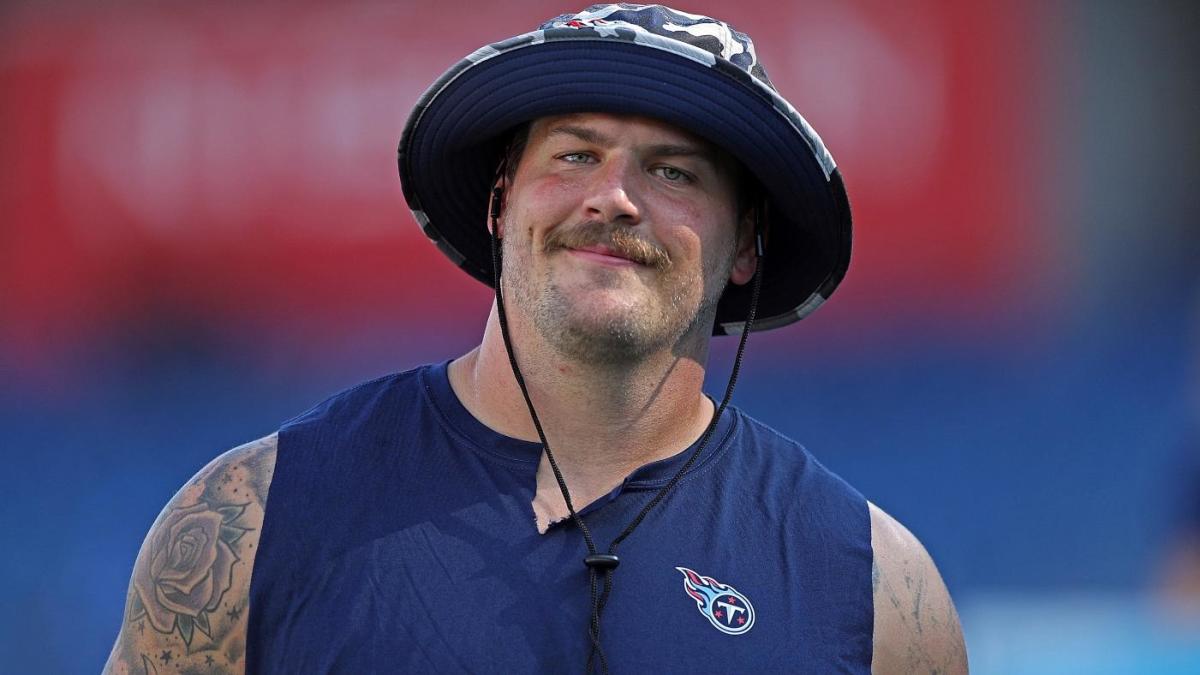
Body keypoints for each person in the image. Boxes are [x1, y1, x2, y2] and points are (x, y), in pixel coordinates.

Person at [105, 5, 967, 673]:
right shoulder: (249, 522)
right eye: (575, 155)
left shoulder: (873, 587)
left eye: (674, 171)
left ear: (745, 244)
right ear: (499, 202)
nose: (615, 197)